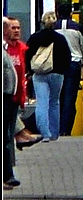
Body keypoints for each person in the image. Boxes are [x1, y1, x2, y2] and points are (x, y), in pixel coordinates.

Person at [25, 10, 71, 141]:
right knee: (54, 102)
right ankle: (54, 134)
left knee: (42, 102)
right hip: (57, 74)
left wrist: (29, 70)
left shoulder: (35, 38)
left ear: (42, 22)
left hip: (39, 74)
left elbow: (27, 55)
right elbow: (67, 57)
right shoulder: (60, 39)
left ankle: (45, 134)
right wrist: (62, 70)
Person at [3, 17, 42, 149]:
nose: (16, 31)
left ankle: (21, 135)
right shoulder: (5, 49)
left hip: (15, 94)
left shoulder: (22, 48)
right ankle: (21, 135)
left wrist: (22, 96)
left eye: (18, 28)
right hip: (7, 95)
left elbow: (21, 74)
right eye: (12, 28)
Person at [54, 2, 83, 136]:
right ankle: (65, 130)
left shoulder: (53, 27)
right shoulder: (77, 28)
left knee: (57, 98)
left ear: (57, 13)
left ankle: (56, 129)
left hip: (56, 66)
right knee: (70, 98)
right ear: (70, 13)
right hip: (73, 65)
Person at [3, 42, 20, 189]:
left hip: (10, 98)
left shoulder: (9, 48)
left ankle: (7, 175)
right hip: (5, 97)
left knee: (6, 138)